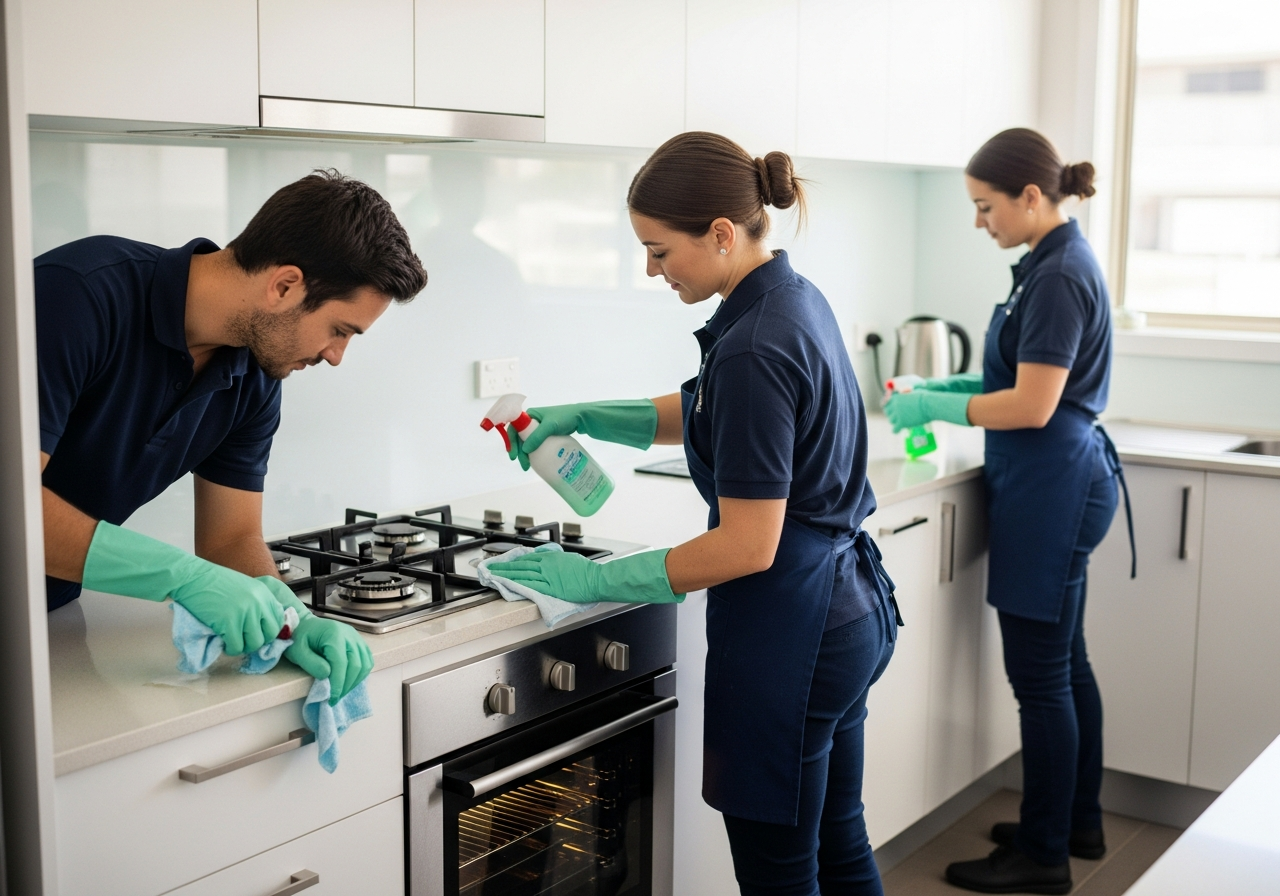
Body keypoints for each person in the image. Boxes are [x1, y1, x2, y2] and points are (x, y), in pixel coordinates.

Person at [489, 131, 900, 895]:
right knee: (839, 847)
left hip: (795, 633)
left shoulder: (753, 347)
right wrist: (582, 414)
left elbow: (746, 546)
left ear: (718, 234)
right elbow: (706, 410)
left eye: (658, 250)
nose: (650, 270)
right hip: (850, 616)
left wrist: (595, 580)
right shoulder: (789, 297)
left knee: (782, 875)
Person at [38, 169, 428, 703]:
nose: (336, 356)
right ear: (285, 285)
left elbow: (230, 538)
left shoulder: (255, 377)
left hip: (47, 617)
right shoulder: (76, 296)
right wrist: (179, 576)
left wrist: (293, 620)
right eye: (340, 330)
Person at [886, 128, 1133, 895]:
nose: (978, 221)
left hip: (1052, 488)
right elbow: (1019, 375)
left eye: (984, 206)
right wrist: (950, 389)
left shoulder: (1060, 274)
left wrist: (933, 400)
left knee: (1042, 678)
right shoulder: (1047, 266)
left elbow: (1032, 404)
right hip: (1052, 481)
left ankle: (1043, 854)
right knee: (1065, 665)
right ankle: (1074, 821)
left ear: (1031, 196)